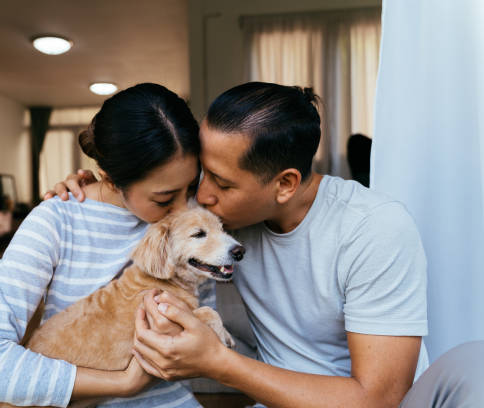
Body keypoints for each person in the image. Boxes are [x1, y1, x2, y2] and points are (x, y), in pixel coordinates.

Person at [50, 82, 482, 407]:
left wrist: (218, 363)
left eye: (220, 183)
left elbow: (379, 399)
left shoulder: (373, 228)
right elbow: (144, 178)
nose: (201, 197)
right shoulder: (214, 219)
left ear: (285, 184)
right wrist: (91, 186)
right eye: (203, 173)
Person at [0, 83, 213, 408]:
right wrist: (122, 383)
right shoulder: (56, 221)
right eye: (164, 198)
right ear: (109, 176)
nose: (185, 211)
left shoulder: (199, 222)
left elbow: (205, 333)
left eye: (189, 188)